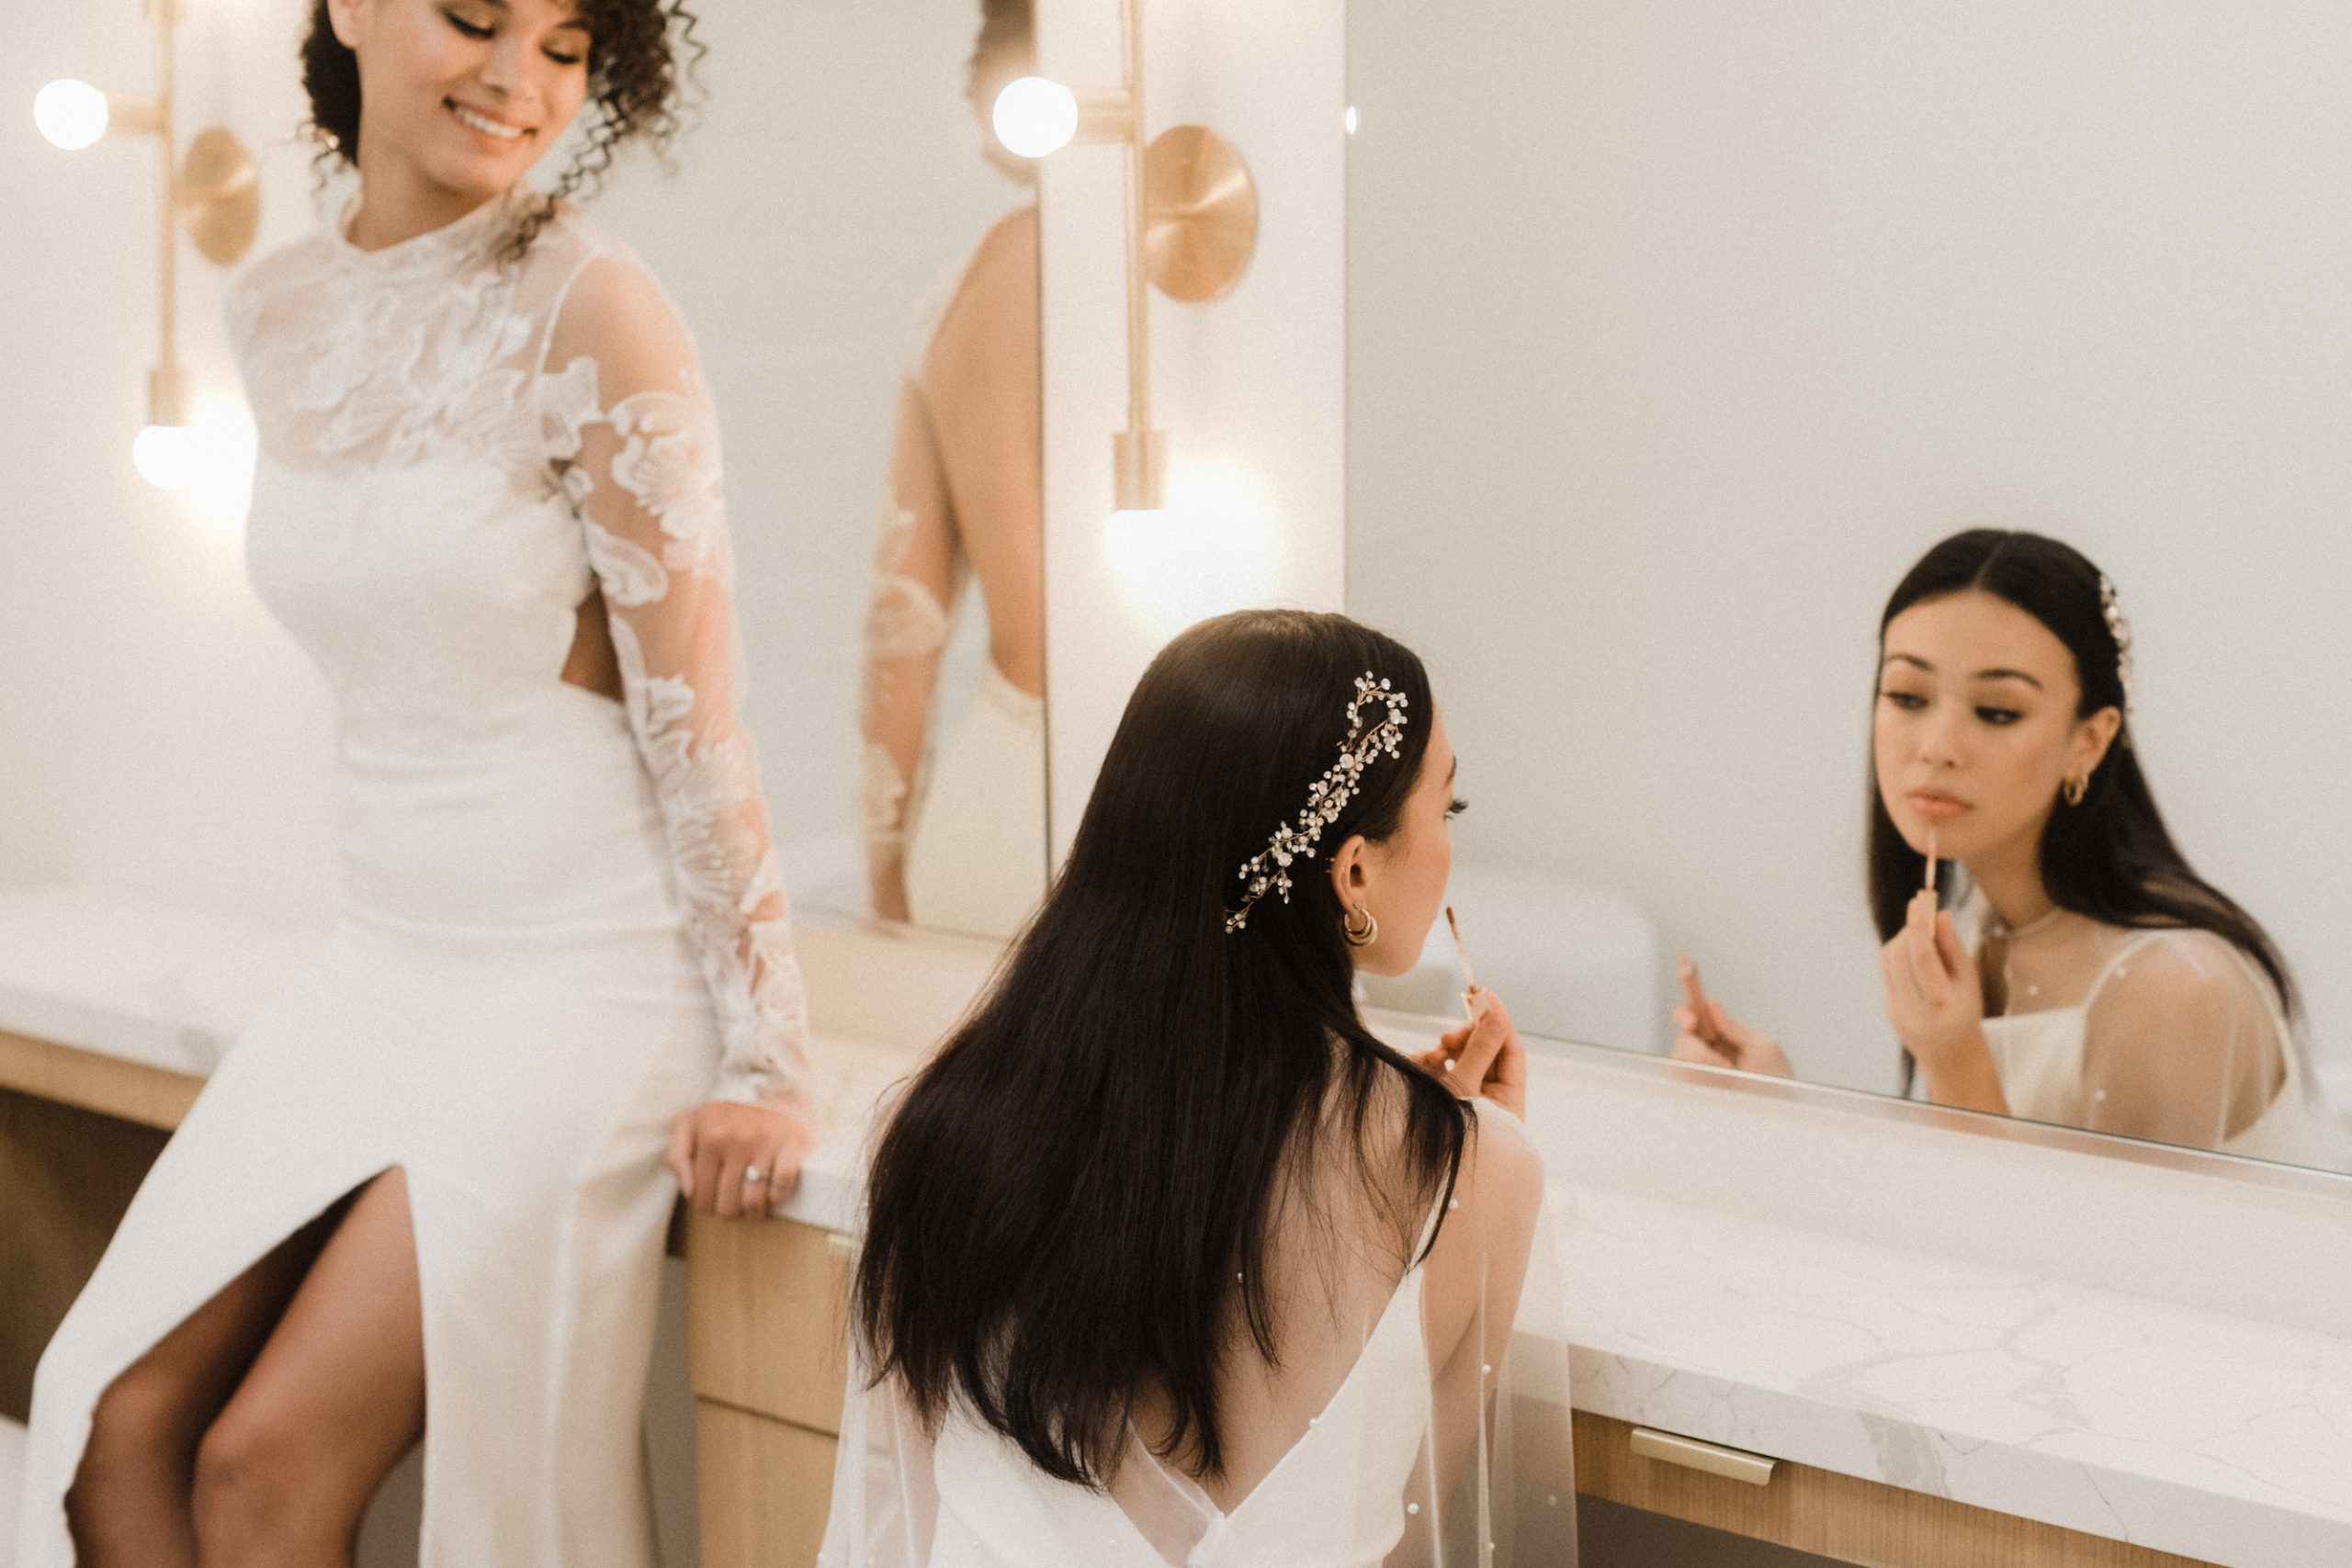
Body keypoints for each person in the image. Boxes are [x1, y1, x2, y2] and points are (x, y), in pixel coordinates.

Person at [18, 3, 813, 1563]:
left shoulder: (598, 308)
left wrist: (767, 1054)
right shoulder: (272, 309)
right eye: (474, 18)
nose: (519, 79)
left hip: (581, 974)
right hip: (383, 957)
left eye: (567, 47)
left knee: (259, 1471)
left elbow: (698, 715)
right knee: (105, 1415)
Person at [820, 609, 1578, 1566]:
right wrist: (1466, 1157)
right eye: (1447, 809)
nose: (1448, 845)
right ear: (1352, 872)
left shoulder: (939, 1129)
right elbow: (1414, 1529)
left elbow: (900, 1529)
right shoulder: (1484, 1179)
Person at [1678, 529, 2331, 1165]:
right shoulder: (1991, 921)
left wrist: (1954, 1061)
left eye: (1996, 711)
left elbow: (2076, 1242)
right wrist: (1782, 1108)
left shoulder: (2177, 989)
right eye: (1907, 696)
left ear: (2090, 740)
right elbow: (1938, 1207)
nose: (1937, 746)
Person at [858, 0, 1046, 937]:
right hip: (1152, 803)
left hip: (985, 806)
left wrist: (886, 878)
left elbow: (903, 624)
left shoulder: (959, 295)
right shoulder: (1189, 294)